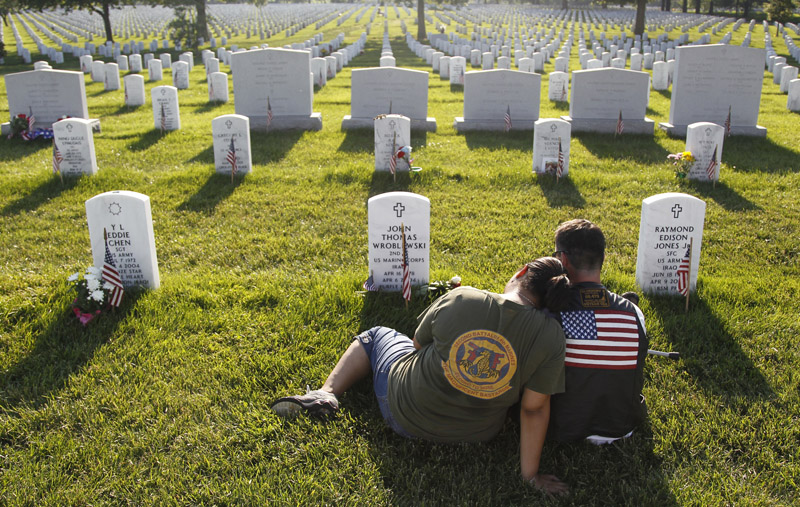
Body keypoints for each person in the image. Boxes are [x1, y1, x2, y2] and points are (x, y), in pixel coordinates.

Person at [271, 258, 571, 495]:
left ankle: (327, 393)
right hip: (476, 435)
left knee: (377, 335)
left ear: (522, 271)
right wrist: (530, 476)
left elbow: (416, 344)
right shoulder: (552, 337)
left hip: (402, 410)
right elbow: (533, 408)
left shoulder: (464, 297)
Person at [549, 219, 649, 444]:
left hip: (562, 427)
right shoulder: (633, 313)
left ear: (562, 259)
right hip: (621, 427)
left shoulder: (550, 311)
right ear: (602, 258)